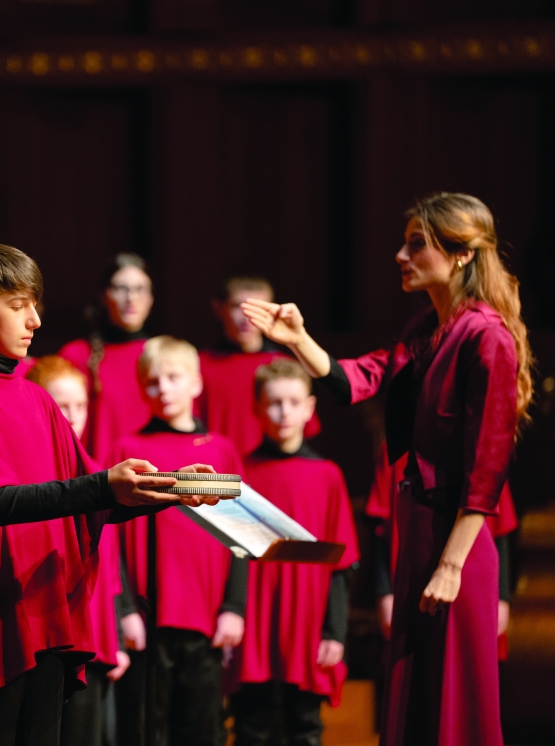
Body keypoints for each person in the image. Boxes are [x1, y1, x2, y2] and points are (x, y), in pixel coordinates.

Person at [241, 192, 531, 746]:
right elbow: (355, 380)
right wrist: (298, 339)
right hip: (418, 534)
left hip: (454, 544)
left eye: (416, 244)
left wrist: (450, 566)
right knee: (417, 698)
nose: (401, 255)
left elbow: (487, 468)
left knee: (455, 703)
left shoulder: (486, 335)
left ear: (461, 254)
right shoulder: (424, 329)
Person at [0, 242, 220, 746]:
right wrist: (103, 485)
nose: (34, 320)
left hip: (46, 600)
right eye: (17, 306)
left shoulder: (36, 397)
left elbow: (90, 495)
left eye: (34, 305)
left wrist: (171, 487)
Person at [108, 336, 246, 746]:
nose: (163, 388)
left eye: (173, 377)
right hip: (147, 619)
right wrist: (124, 609)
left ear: (196, 383)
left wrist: (234, 607)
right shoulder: (129, 451)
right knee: (145, 730)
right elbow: (111, 540)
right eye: (153, 381)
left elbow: (240, 537)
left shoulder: (221, 452)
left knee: (201, 730)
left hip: (206, 619)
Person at [224, 359, 360, 746]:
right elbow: (231, 557)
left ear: (309, 408)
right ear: (256, 408)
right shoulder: (241, 476)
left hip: (307, 621)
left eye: (293, 402)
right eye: (273, 402)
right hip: (255, 622)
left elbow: (341, 565)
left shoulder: (328, 475)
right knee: (251, 727)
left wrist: (334, 632)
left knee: (304, 727)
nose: (284, 412)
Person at [25, 356, 132, 746]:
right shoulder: (28, 480)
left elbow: (110, 566)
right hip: (44, 634)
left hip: (94, 635)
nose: (72, 416)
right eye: (62, 406)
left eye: (80, 405)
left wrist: (117, 637)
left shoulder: (97, 473)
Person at [366, 443, 517, 658]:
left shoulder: (482, 446)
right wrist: (385, 593)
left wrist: (502, 597)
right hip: (413, 579)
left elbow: (500, 529)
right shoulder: (399, 447)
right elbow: (381, 528)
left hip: (471, 578)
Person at [198, 277, 319, 455]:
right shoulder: (199, 365)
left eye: (257, 309)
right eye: (237, 306)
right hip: (216, 466)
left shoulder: (285, 367)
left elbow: (302, 432)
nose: (246, 317)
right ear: (219, 308)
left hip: (269, 464)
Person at [60, 253, 155, 463]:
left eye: (140, 289)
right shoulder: (77, 355)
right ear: (104, 295)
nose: (131, 298)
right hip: (97, 476)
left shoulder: (162, 357)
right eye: (121, 288)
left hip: (154, 473)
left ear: (150, 298)